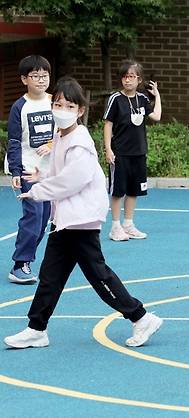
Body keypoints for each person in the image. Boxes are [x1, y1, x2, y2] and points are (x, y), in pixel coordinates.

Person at [4, 77, 163, 350]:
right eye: (58, 104)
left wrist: (40, 190)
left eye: (69, 105)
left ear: (80, 111)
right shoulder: (61, 136)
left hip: (81, 220)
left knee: (99, 276)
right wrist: (42, 175)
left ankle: (140, 316)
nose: (61, 109)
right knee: (51, 276)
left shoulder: (79, 140)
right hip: (66, 220)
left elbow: (73, 180)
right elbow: (60, 171)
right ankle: (36, 328)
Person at [6, 55, 54, 285]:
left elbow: (64, 132)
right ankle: (19, 264)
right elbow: (14, 141)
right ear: (24, 79)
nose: (41, 80)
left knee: (44, 218)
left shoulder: (56, 102)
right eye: (35, 76)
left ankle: (27, 260)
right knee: (33, 216)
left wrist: (51, 145)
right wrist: (15, 171)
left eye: (44, 76)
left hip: (49, 171)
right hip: (28, 170)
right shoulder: (19, 107)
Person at [103, 59, 161, 241]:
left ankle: (128, 224)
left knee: (134, 190)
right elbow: (107, 124)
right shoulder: (115, 99)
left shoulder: (142, 99)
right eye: (125, 77)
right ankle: (115, 226)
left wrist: (157, 96)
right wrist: (108, 149)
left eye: (132, 77)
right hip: (120, 152)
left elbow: (157, 117)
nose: (128, 80)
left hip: (139, 152)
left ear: (139, 79)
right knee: (118, 190)